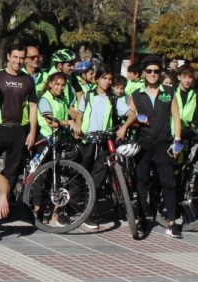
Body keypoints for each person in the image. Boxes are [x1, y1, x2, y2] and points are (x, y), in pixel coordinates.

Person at [124, 56, 183, 238]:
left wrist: (177, 140)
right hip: (143, 144)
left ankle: (172, 223)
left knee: (168, 183)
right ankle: (142, 219)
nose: (152, 74)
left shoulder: (168, 91)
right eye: (149, 71)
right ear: (143, 73)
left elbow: (176, 116)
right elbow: (129, 115)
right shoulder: (136, 94)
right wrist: (135, 120)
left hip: (164, 143)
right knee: (141, 182)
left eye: (156, 71)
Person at [73, 67, 129, 230]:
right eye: (104, 78)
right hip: (87, 141)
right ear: (97, 79)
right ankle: (69, 207)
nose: (107, 82)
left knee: (98, 178)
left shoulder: (114, 98)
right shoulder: (88, 95)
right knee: (81, 174)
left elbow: (130, 113)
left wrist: (124, 127)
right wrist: (77, 127)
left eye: (110, 79)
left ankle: (89, 213)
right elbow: (79, 114)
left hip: (104, 142)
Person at [0, 44, 38, 184]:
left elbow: (32, 107)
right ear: (8, 56)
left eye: (21, 58)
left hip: (19, 131)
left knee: (12, 171)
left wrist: (32, 132)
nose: (18, 61)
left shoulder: (28, 80)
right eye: (15, 57)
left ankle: (6, 201)